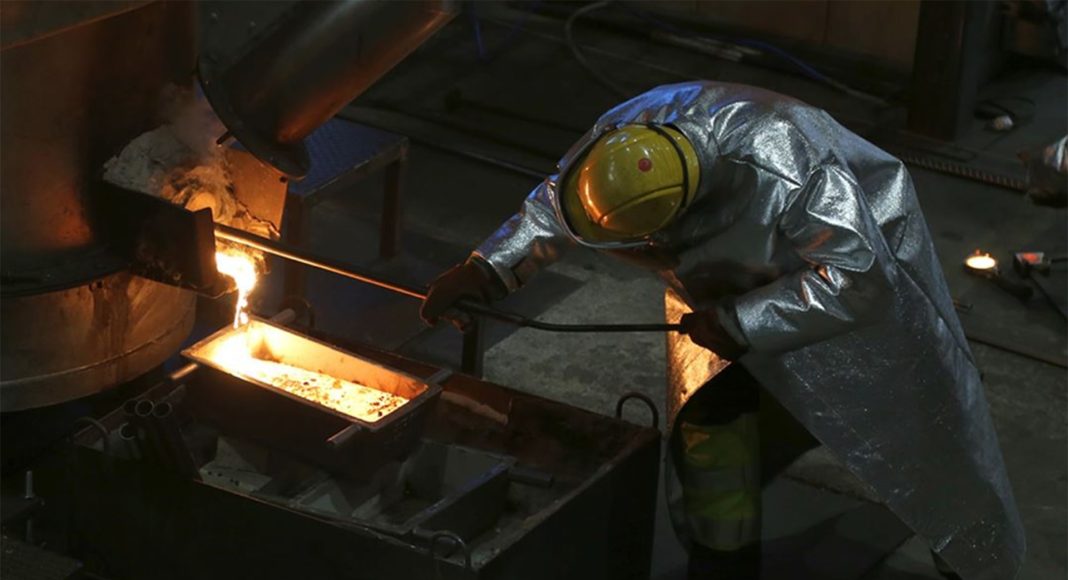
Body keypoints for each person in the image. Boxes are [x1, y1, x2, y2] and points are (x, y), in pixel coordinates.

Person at [420, 82, 1024, 580]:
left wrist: (745, 322)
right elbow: (564, 203)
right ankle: (722, 566)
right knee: (714, 433)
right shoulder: (628, 135)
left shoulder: (790, 166)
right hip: (733, 299)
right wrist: (488, 269)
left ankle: (973, 563)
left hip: (866, 303)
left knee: (931, 450)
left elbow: (861, 279)